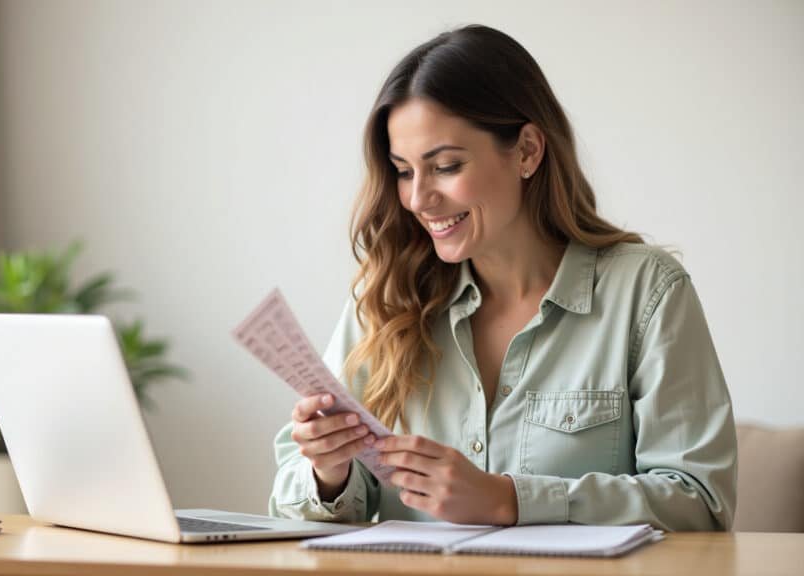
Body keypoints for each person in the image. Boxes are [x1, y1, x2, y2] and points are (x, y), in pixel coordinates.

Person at [268, 24, 736, 531]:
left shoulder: (646, 292)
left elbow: (700, 504)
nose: (418, 198)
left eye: (446, 166)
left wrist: (511, 500)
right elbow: (294, 508)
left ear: (528, 151)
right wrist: (329, 473)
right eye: (403, 170)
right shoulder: (387, 298)